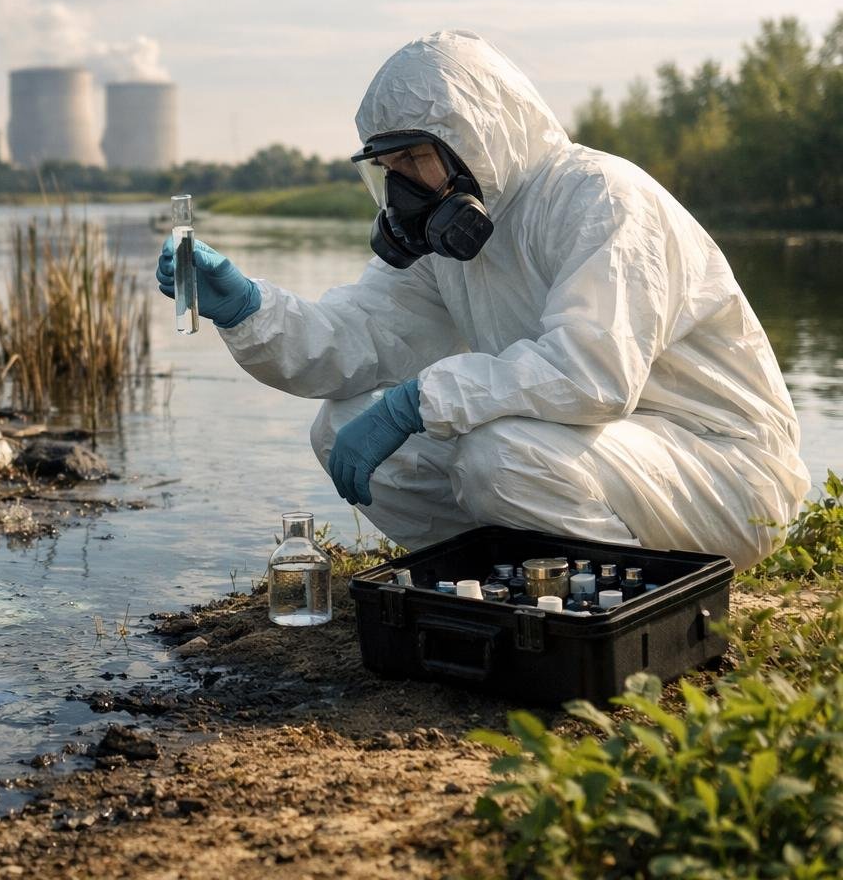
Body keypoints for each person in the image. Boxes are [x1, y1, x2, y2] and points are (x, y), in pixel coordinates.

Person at [156, 29, 808, 571]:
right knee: (343, 425)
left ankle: (636, 597)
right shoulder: (449, 235)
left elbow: (591, 374)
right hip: (601, 456)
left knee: (499, 455)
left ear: (477, 138)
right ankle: (496, 576)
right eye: (389, 168)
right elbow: (361, 338)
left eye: (415, 159)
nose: (402, 188)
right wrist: (248, 309)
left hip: (725, 470)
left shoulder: (602, 200)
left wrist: (423, 398)